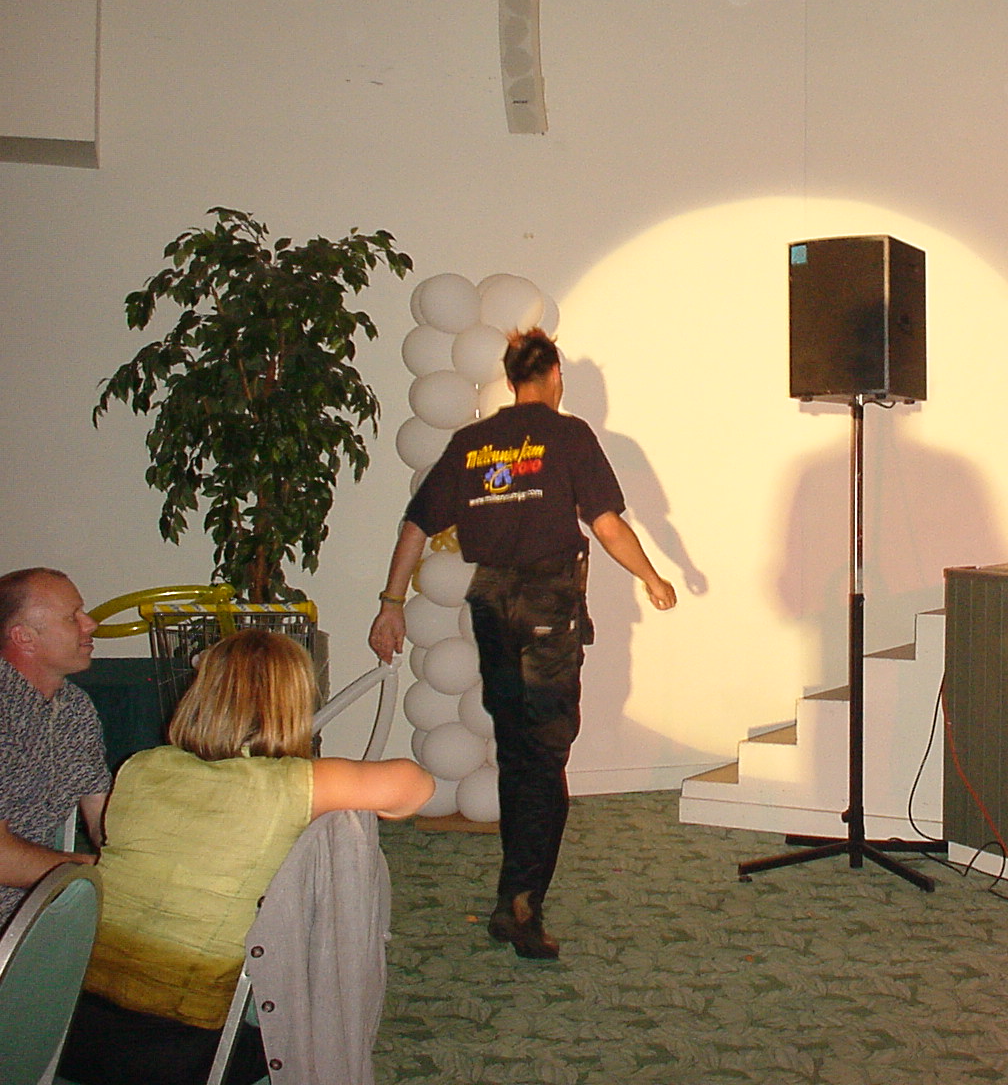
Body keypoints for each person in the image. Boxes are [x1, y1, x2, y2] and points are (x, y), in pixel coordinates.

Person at [368, 327, 677, 960]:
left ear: (510, 380)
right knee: (545, 755)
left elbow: (416, 526)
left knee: (517, 752)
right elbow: (607, 524)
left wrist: (391, 604)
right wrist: (653, 577)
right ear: (555, 375)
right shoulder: (569, 435)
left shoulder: (472, 442)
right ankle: (522, 903)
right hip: (546, 605)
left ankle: (513, 894)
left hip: (491, 605)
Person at [58, 628, 434, 1085]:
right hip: (174, 1055)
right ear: (292, 704)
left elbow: (107, 841)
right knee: (299, 1047)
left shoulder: (141, 766)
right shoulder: (293, 784)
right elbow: (415, 786)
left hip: (64, 1027)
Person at [0, 566, 110, 929]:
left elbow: (103, 820)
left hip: (36, 917)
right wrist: (102, 872)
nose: (90, 624)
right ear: (24, 637)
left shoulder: (75, 707)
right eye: (72, 616)